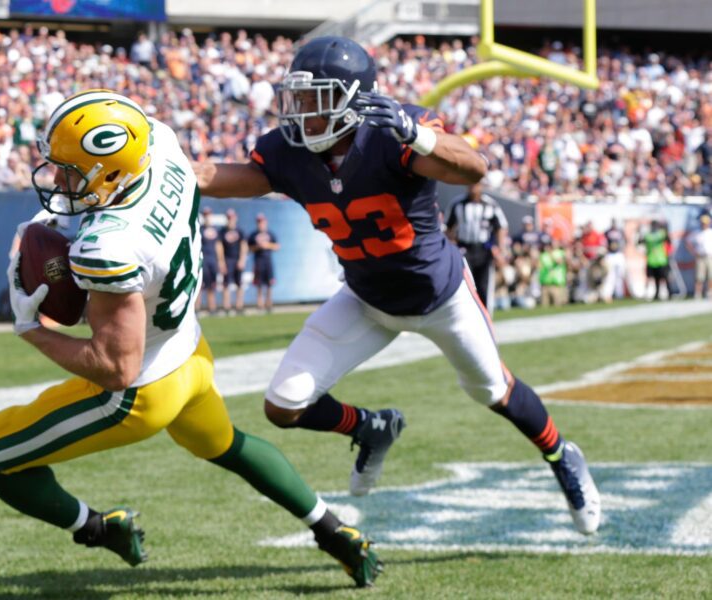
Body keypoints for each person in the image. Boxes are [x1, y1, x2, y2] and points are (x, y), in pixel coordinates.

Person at [0, 90, 381, 587]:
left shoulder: (108, 247)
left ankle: (98, 527)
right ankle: (336, 534)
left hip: (138, 394)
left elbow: (117, 367)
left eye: (69, 171)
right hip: (190, 351)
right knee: (232, 447)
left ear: (110, 172)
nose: (57, 179)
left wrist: (33, 330)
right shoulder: (158, 143)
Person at [193, 36, 600, 534]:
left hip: (441, 298)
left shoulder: (390, 134)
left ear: (353, 100)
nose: (300, 114)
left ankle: (562, 455)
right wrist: (153, 168)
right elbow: (214, 175)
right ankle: (371, 428)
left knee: (493, 391)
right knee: (282, 405)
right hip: (366, 300)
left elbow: (474, 166)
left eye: (313, 100)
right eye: (295, 100)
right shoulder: (289, 153)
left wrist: (417, 135)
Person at [446, 180, 509, 314]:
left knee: (484, 285)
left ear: (481, 186)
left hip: (484, 249)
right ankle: (466, 315)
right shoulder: (458, 204)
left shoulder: (490, 204)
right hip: (464, 249)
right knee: (466, 285)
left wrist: (500, 249)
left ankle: (485, 316)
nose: (472, 187)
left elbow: (501, 227)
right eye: (470, 183)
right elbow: (448, 228)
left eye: (476, 184)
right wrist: (451, 247)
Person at [248, 213, 280, 312]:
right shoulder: (253, 235)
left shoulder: (270, 234)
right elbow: (249, 248)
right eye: (259, 222)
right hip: (258, 261)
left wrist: (267, 245)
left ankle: (269, 304)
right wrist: (258, 246)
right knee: (259, 285)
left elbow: (277, 246)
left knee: (269, 284)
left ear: (265, 222)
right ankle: (260, 305)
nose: (260, 224)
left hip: (268, 261)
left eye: (262, 222)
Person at [218, 208, 248, 315]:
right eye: (229, 218)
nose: (230, 220)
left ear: (236, 218)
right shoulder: (222, 231)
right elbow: (219, 247)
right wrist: (221, 262)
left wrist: (242, 260)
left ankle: (239, 306)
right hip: (227, 259)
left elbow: (244, 246)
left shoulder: (240, 231)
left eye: (232, 218)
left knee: (239, 283)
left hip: (237, 259)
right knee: (226, 284)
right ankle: (227, 306)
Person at [195, 206, 221, 315]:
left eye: (208, 214)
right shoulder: (199, 229)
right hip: (203, 261)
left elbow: (219, 246)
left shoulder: (215, 230)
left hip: (213, 261)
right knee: (200, 286)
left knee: (212, 286)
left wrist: (221, 261)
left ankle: (212, 308)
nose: (207, 217)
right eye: (205, 215)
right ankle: (197, 309)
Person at [641, 219, 671, 301]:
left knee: (664, 277)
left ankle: (669, 292)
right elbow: (641, 241)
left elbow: (668, 239)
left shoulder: (660, 234)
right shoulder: (649, 235)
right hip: (652, 259)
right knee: (656, 278)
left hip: (661, 259)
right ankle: (657, 293)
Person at [687, 214, 712, 299]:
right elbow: (688, 242)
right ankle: (698, 293)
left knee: (710, 276)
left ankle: (709, 293)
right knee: (699, 276)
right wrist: (693, 252)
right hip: (700, 257)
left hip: (710, 256)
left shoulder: (710, 232)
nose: (704, 224)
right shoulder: (696, 233)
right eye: (703, 223)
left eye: (706, 223)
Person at [602, 218, 627, 302]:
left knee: (620, 275)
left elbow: (625, 241)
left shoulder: (620, 231)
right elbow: (604, 243)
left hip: (619, 254)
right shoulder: (607, 232)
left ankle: (619, 294)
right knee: (610, 275)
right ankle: (608, 294)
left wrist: (622, 248)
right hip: (610, 255)